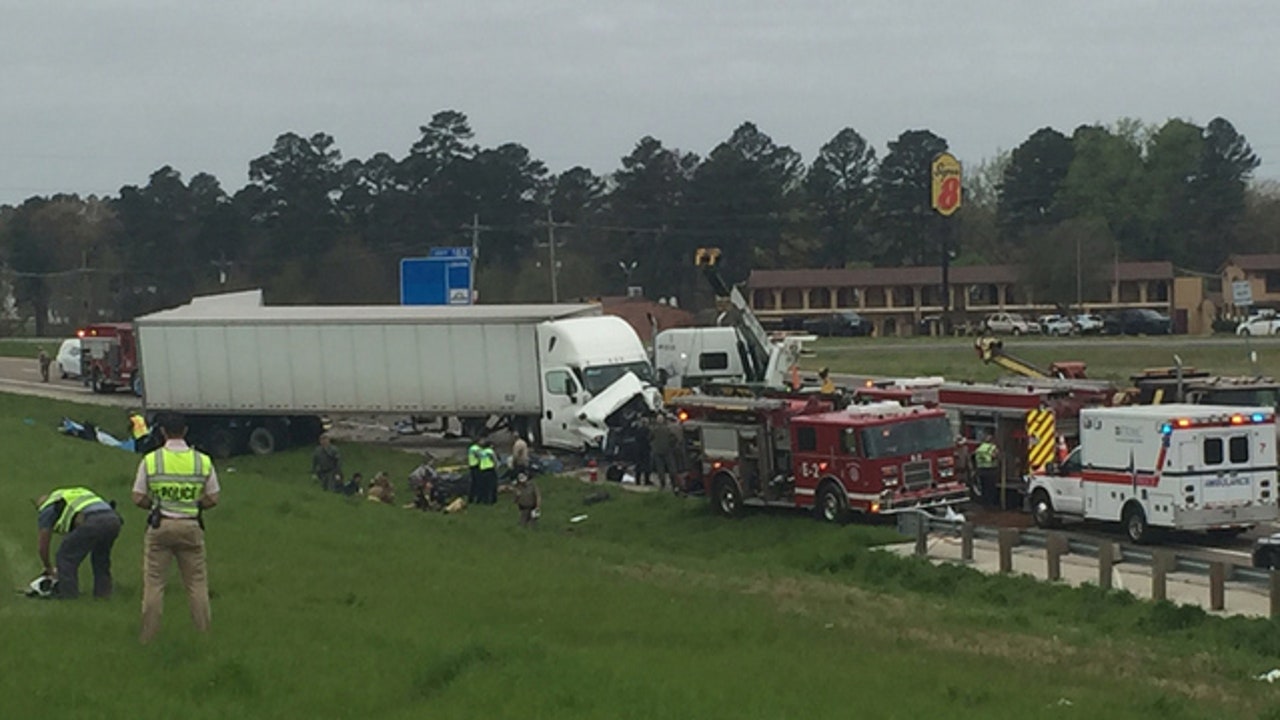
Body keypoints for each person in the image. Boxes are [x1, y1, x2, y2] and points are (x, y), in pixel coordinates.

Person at [132, 413, 220, 644]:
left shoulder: (151, 460)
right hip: (191, 526)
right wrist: (195, 505)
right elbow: (213, 497)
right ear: (186, 430)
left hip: (161, 525)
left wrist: (155, 506)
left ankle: (147, 636)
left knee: (154, 584)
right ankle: (203, 634)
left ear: (162, 431)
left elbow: (137, 496)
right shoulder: (202, 461)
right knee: (196, 584)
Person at [34, 486, 122, 599]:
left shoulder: (47, 509)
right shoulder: (72, 495)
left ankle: (68, 596)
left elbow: (43, 546)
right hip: (113, 519)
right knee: (101, 558)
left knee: (65, 557)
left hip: (92, 520)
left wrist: (48, 567)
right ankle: (103, 595)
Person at [649, 414, 680, 492]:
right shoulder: (668, 429)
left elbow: (649, 438)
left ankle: (662, 485)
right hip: (667, 451)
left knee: (660, 469)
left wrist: (653, 445)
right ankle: (675, 485)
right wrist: (671, 446)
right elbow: (674, 439)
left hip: (657, 451)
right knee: (672, 468)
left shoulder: (654, 429)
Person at [974, 432, 1000, 504]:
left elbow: (975, 457)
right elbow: (995, 456)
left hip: (981, 471)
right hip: (990, 471)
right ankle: (991, 503)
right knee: (991, 489)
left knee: (984, 488)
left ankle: (984, 502)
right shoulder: (992, 447)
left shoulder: (980, 448)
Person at [477, 438, 500, 504]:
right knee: (492, 486)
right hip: (490, 469)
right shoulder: (490, 451)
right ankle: (493, 500)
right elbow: (495, 460)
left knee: (485, 486)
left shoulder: (481, 452)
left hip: (482, 470)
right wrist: (496, 468)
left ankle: (485, 500)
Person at [466, 437, 483, 504]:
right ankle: (478, 499)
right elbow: (481, 456)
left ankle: (471, 498)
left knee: (473, 484)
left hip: (472, 467)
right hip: (477, 467)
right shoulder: (477, 449)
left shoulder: (471, 448)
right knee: (479, 483)